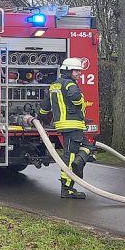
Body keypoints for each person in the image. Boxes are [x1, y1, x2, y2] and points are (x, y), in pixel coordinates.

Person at [25, 57, 94, 199]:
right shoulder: (70, 85)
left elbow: (45, 107)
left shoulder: (54, 85)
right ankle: (67, 187)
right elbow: (76, 98)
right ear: (67, 70)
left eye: (79, 71)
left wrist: (39, 118)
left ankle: (77, 163)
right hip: (73, 124)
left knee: (87, 146)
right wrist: (80, 100)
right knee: (70, 156)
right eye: (76, 71)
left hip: (64, 125)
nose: (79, 74)